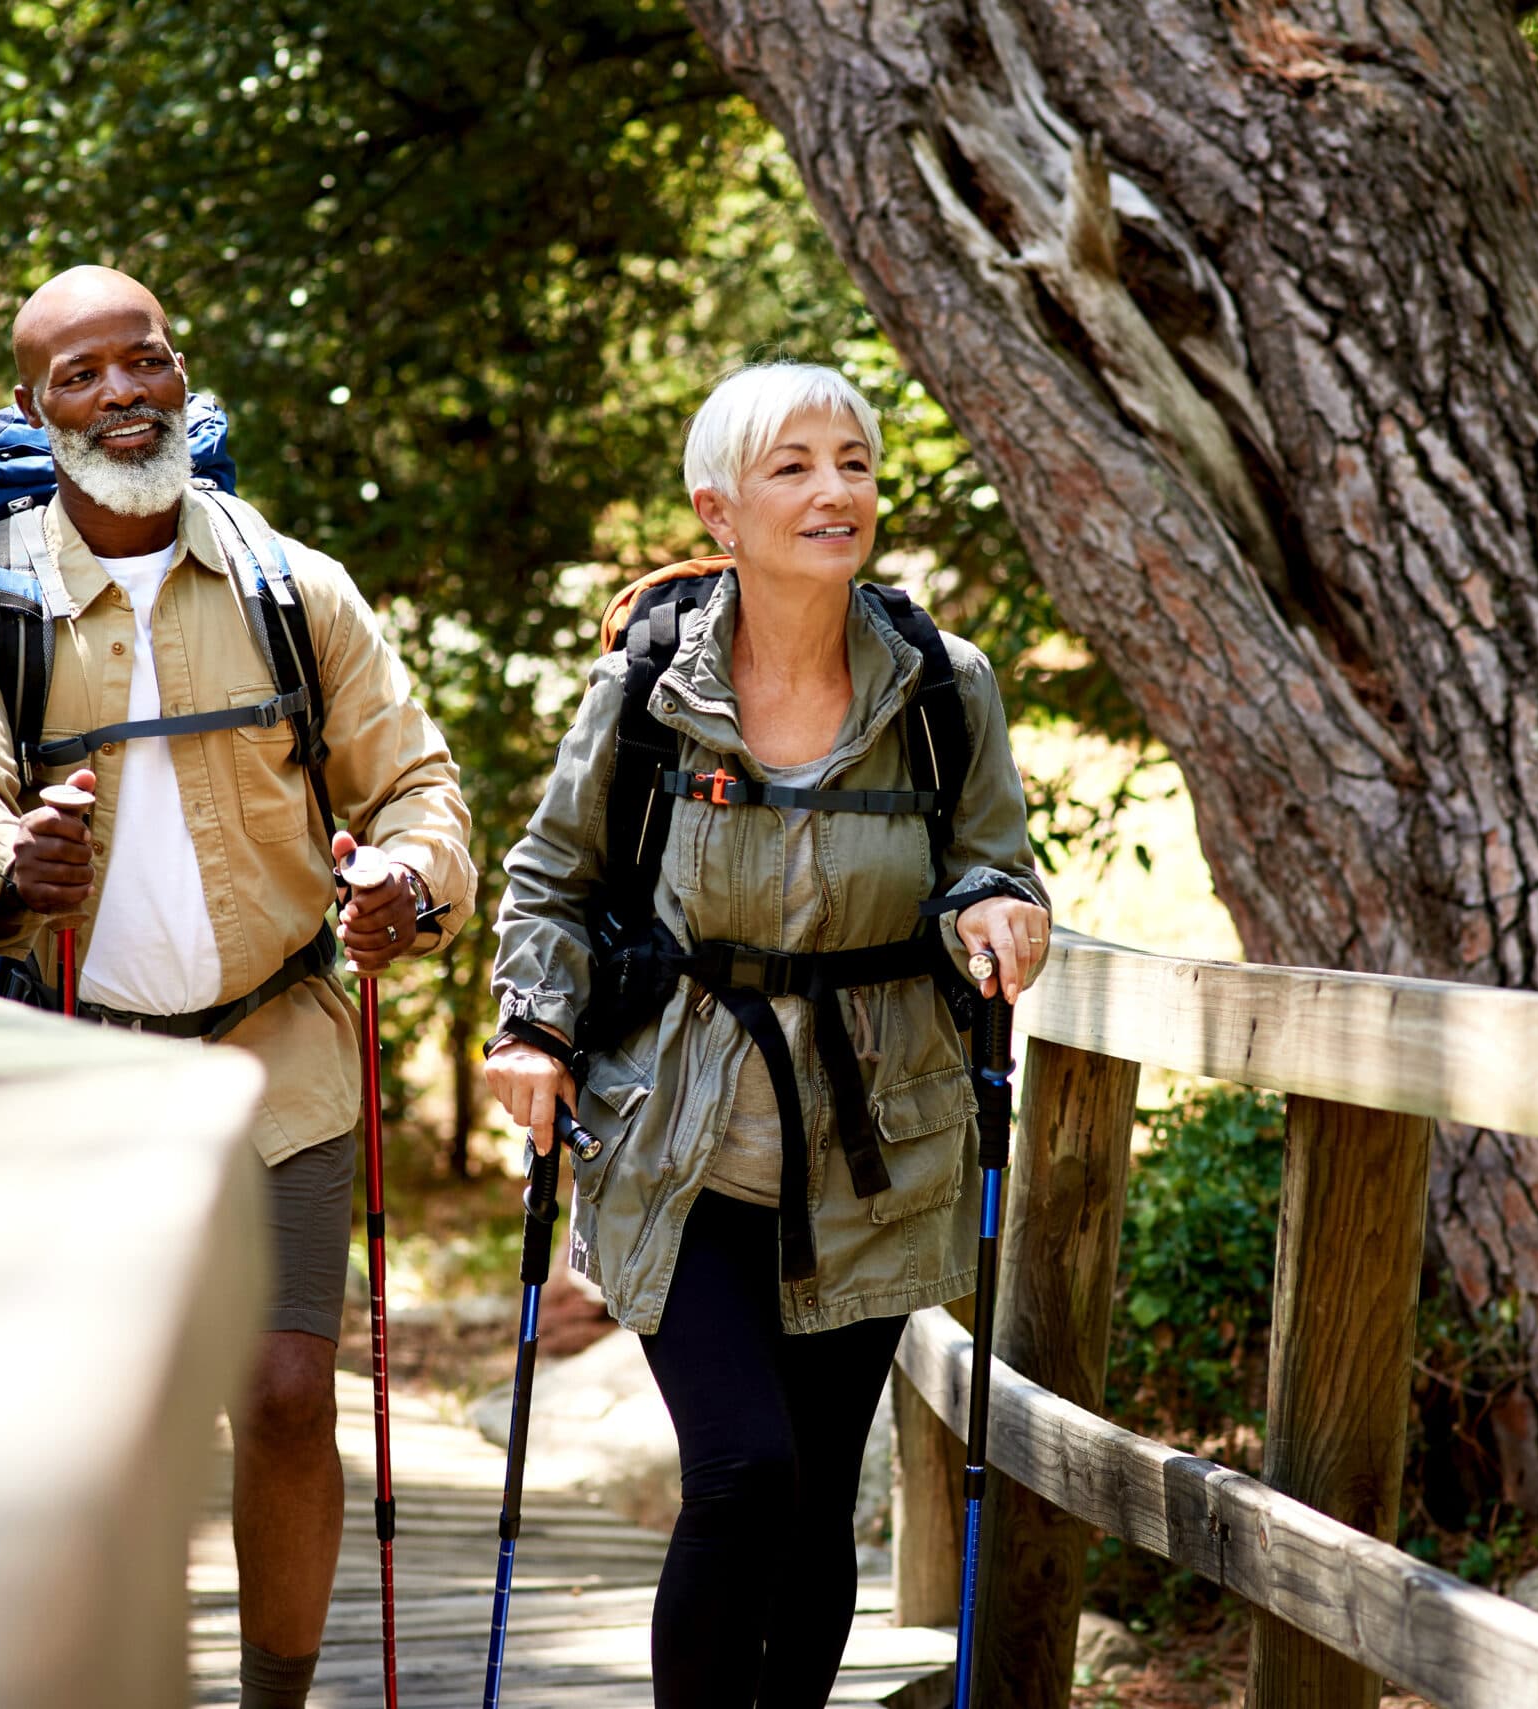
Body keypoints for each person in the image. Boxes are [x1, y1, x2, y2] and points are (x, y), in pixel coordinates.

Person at [0, 265, 476, 1709]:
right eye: (82, 375)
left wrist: (412, 883)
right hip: (78, 1064)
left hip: (280, 1048)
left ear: (183, 375)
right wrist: (6, 855)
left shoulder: (295, 588)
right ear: (33, 409)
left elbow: (418, 786)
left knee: (285, 1399)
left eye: (142, 363)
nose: (121, 394)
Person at [485, 361, 1052, 1706]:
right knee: (747, 1473)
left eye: (851, 460)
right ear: (721, 510)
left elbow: (994, 864)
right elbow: (554, 879)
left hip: (873, 1142)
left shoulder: (938, 685)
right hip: (677, 1136)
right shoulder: (646, 682)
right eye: (792, 465)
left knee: (813, 1500)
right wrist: (531, 1026)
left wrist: (1002, 915)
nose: (833, 489)